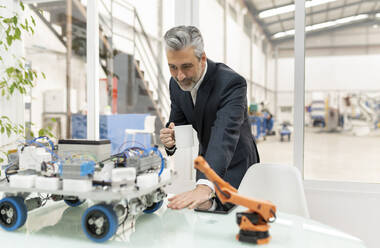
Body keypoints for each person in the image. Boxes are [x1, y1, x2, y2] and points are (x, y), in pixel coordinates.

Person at [160, 26, 259, 211]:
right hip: (207, 162)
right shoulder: (176, 84)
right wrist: (170, 141)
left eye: (186, 67)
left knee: (237, 222)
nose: (180, 76)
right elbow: (178, 123)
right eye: (173, 67)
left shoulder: (231, 83)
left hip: (237, 163)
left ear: (202, 59)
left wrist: (205, 185)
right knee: (206, 221)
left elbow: (224, 135)